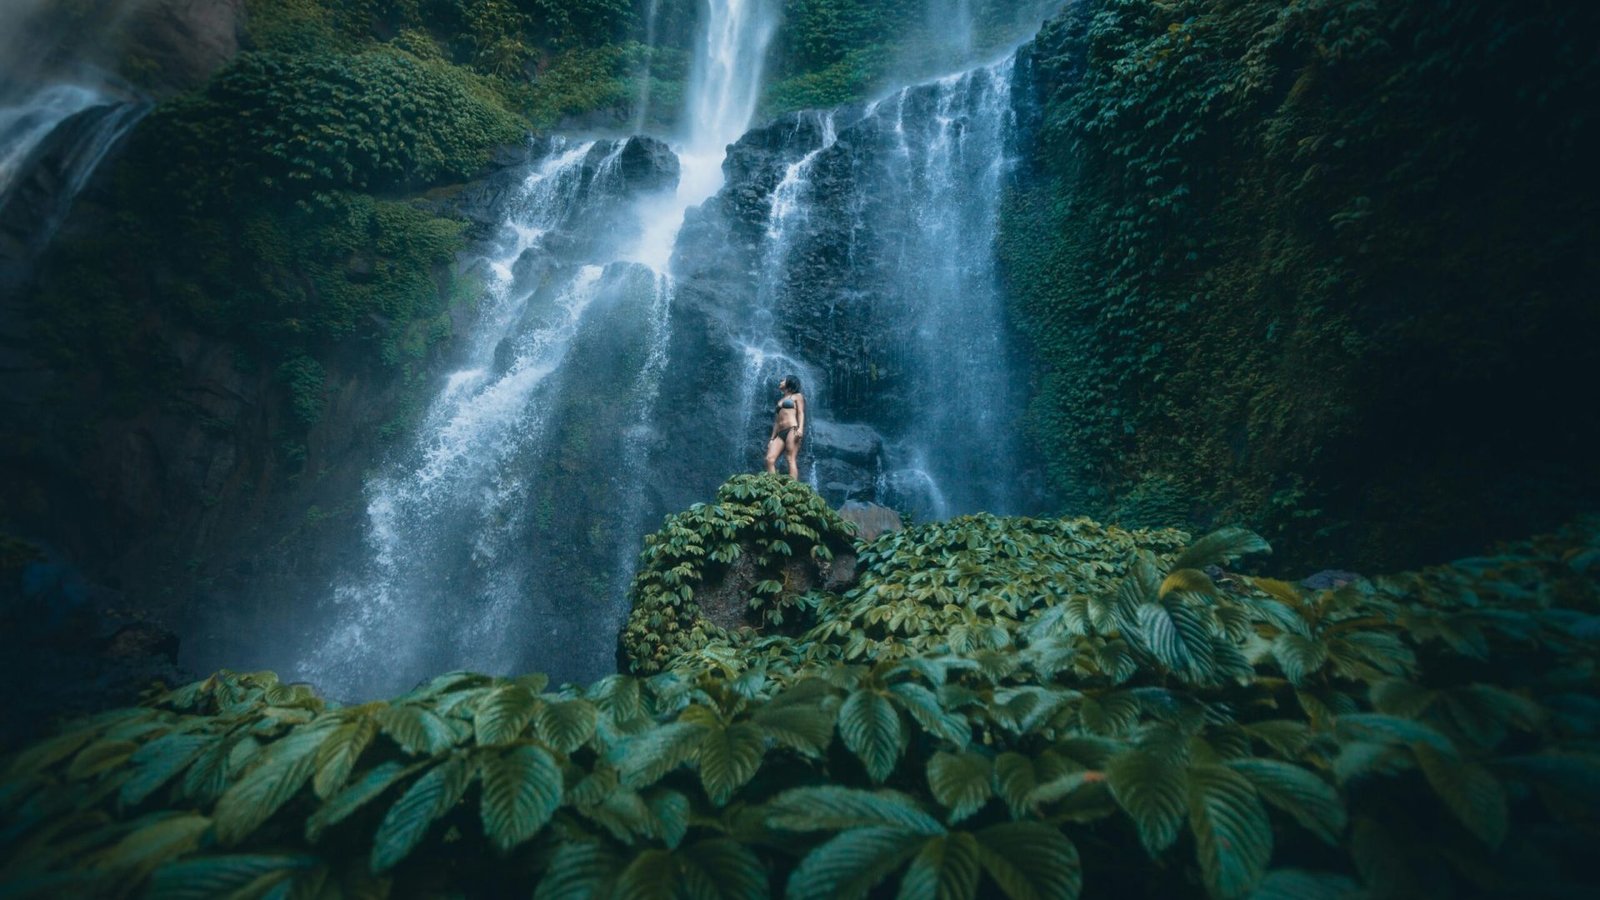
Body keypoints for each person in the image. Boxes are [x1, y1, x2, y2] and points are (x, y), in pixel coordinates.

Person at [765, 374, 806, 479]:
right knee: (769, 459)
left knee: (790, 458)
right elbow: (776, 422)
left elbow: (801, 413)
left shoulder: (797, 396)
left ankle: (792, 489)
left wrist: (800, 428)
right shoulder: (780, 400)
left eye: (783, 380)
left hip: (792, 429)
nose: (780, 382)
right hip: (780, 434)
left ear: (790, 382)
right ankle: (773, 486)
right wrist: (772, 439)